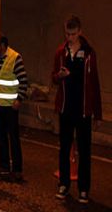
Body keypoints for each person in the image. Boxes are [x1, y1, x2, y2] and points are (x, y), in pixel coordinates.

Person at [52, 16, 102, 204]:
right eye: (67, 33)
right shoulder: (61, 52)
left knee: (84, 150)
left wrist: (97, 114)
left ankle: (83, 189)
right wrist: (60, 75)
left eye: (73, 34)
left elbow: (94, 83)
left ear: (80, 32)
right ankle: (64, 185)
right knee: (64, 148)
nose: (70, 37)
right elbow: (54, 77)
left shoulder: (89, 53)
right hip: (66, 109)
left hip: (83, 110)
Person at [0, 33, 28, 181]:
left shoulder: (15, 58)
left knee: (13, 137)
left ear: (2, 45)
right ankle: (3, 165)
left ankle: (17, 169)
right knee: (0, 135)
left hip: (10, 107)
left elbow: (23, 80)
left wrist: (19, 100)